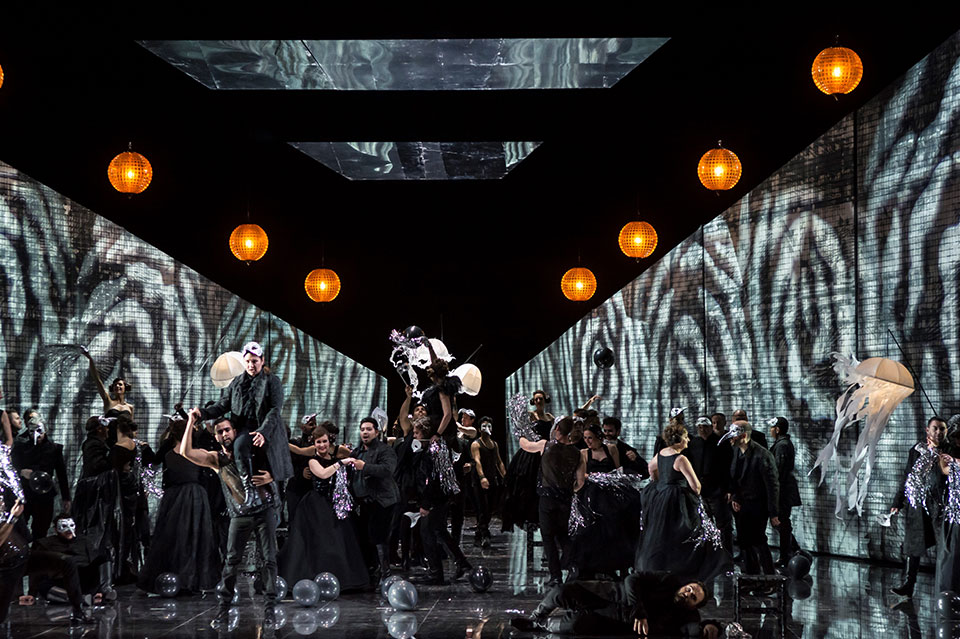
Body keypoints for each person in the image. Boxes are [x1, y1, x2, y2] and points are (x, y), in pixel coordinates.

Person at [180, 409, 279, 628]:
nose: (224, 434)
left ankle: (270, 611)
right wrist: (190, 422)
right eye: (220, 432)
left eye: (227, 430)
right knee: (231, 561)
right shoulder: (218, 459)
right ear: (215, 436)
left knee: (269, 560)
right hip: (240, 515)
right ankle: (223, 611)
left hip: (264, 511)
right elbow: (186, 452)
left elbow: (282, 460)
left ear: (235, 431)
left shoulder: (253, 450)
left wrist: (272, 476)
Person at [196, 341, 292, 514]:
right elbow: (222, 405)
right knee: (238, 445)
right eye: (247, 361)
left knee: (250, 450)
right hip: (243, 429)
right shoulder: (237, 382)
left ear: (262, 360)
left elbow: (275, 409)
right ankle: (249, 492)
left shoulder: (272, 381)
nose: (251, 365)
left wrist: (263, 432)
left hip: (264, 428)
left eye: (254, 361)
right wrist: (202, 413)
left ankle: (265, 500)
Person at [278, 426, 369, 591]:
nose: (322, 445)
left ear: (329, 441)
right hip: (315, 505)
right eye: (318, 442)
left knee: (339, 540)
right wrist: (341, 463)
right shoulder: (313, 461)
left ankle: (341, 579)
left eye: (324, 441)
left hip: (334, 503)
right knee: (316, 542)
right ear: (314, 444)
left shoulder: (336, 456)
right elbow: (323, 474)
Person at [137, 414, 218, 595]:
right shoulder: (196, 453)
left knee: (173, 538)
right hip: (194, 497)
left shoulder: (169, 455)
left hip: (175, 497)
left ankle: (179, 577)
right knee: (194, 538)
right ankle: (191, 579)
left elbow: (158, 467)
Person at [635, 423, 728, 582]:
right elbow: (696, 486)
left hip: (660, 498)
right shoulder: (680, 459)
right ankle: (685, 569)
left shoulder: (661, 453)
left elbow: (651, 468)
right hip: (677, 501)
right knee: (686, 533)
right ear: (678, 439)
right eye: (685, 437)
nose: (688, 440)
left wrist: (659, 482)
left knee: (661, 535)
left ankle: (661, 568)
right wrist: (694, 495)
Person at [511, 570, 713, 638]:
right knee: (561, 592)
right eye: (690, 588)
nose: (688, 593)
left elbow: (695, 628)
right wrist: (638, 609)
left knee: (574, 625)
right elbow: (632, 579)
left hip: (610, 620)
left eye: (693, 597)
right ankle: (536, 616)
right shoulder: (668, 580)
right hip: (607, 595)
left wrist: (712, 626)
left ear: (694, 606)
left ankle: (541, 625)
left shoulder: (685, 614)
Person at [520, 417, 583, 587]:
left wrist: (521, 432)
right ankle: (573, 566)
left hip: (547, 499)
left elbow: (525, 445)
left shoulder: (545, 445)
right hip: (565, 499)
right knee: (563, 535)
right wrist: (569, 490)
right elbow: (580, 482)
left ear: (557, 430)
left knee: (548, 537)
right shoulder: (578, 453)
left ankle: (556, 576)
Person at [409, 417, 472, 585]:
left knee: (428, 533)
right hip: (440, 497)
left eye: (416, 433)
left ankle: (436, 573)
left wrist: (426, 504)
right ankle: (461, 563)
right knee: (439, 531)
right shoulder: (436, 449)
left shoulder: (432, 451)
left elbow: (433, 479)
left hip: (436, 499)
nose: (414, 436)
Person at [889, 416, 945, 597]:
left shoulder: (948, 451)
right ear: (927, 430)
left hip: (940, 507)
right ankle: (909, 584)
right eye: (935, 428)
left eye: (942, 429)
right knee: (914, 545)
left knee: (945, 547)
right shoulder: (916, 451)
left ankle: (946, 588)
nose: (938, 432)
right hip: (919, 506)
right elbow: (908, 477)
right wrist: (898, 502)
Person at [348, 416, 400, 584]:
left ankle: (384, 574)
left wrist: (365, 467)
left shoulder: (384, 450)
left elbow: (388, 469)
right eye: (362, 429)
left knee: (379, 537)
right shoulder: (357, 452)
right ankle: (371, 573)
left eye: (369, 429)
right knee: (365, 538)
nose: (365, 432)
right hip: (364, 503)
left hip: (382, 501)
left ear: (376, 432)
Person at [725, 421, 779, 575]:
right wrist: (735, 497)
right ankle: (751, 574)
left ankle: (769, 575)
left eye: (734, 436)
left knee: (759, 539)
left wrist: (773, 512)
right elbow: (735, 477)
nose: (731, 439)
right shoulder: (735, 452)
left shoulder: (762, 455)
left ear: (743, 436)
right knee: (744, 540)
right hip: (742, 504)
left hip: (758, 504)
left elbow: (772, 485)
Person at [109, 414, 155, 583]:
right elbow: (153, 461)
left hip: (122, 496)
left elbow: (111, 472)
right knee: (141, 533)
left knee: (123, 533)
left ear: (118, 429)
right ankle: (142, 568)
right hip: (138, 494)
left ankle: (123, 571)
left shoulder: (116, 449)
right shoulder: (139, 447)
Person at [11, 410, 70, 540]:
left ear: (45, 430)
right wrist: (21, 472)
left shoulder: (54, 449)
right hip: (26, 494)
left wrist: (66, 497)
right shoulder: (21, 447)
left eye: (39, 431)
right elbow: (11, 467)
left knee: (41, 530)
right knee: (20, 530)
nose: (36, 435)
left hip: (45, 496)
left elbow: (61, 473)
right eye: (32, 431)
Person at [29, 514, 110, 607]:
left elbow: (94, 561)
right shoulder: (46, 543)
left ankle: (106, 591)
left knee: (104, 558)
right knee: (43, 586)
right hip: (61, 581)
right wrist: (32, 593)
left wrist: (98, 589)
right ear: (56, 529)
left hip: (83, 578)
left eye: (71, 525)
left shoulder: (83, 541)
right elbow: (37, 570)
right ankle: (79, 599)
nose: (69, 530)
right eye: (64, 526)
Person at [502, 390, 554, 535]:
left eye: (541, 399)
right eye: (536, 399)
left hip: (545, 453)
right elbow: (522, 432)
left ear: (545, 400)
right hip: (531, 453)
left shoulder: (550, 417)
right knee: (527, 485)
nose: (538, 401)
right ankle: (529, 519)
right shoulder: (531, 416)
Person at [768, 416, 802, 565]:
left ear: (777, 429)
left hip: (782, 491)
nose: (770, 431)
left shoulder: (782, 445)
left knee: (781, 522)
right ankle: (792, 549)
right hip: (783, 489)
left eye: (772, 428)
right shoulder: (783, 444)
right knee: (781, 522)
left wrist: (773, 489)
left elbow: (778, 470)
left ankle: (787, 554)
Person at [470, 416, 506, 548]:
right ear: (480, 429)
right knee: (482, 508)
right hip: (479, 480)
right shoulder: (476, 444)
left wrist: (505, 476)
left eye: (489, 426)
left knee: (490, 508)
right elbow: (477, 461)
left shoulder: (494, 444)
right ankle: (485, 534)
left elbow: (499, 461)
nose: (487, 429)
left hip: (492, 479)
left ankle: (479, 533)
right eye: (484, 426)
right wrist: (482, 477)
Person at [82, 348, 134, 418]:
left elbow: (131, 424)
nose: (117, 386)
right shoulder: (108, 401)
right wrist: (90, 359)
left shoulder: (130, 407)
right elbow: (97, 380)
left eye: (120, 384)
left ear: (125, 387)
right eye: (115, 385)